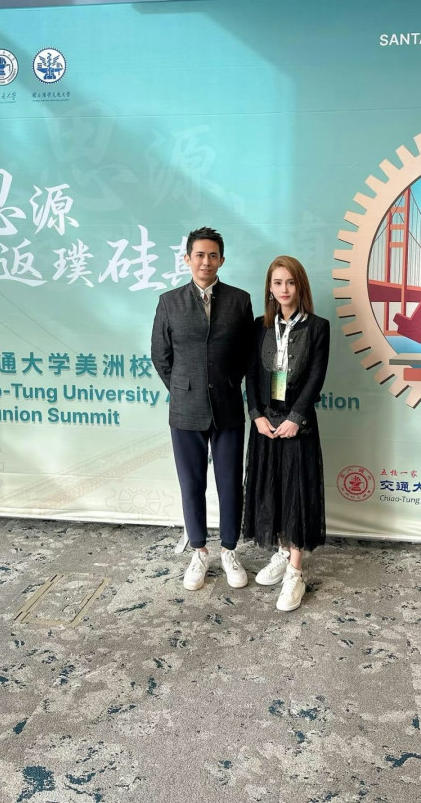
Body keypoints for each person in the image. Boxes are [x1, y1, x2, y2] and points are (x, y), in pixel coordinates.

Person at [151, 227, 254, 591]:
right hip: (185, 410)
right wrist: (183, 389)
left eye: (212, 256)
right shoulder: (169, 302)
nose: (205, 262)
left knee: (230, 483)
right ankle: (198, 551)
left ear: (221, 260)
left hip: (228, 407)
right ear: (187, 259)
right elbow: (161, 356)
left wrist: (227, 382)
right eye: (199, 255)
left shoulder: (240, 301)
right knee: (191, 483)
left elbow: (246, 354)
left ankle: (229, 550)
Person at [243, 256, 330, 611]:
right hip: (266, 424)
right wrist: (256, 416)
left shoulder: (318, 327)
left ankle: (295, 572)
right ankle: (281, 551)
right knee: (272, 489)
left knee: (297, 492)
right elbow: (251, 374)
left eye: (290, 282)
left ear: (300, 286)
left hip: (298, 424)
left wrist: (296, 417)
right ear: (270, 287)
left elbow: (316, 377)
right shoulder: (259, 326)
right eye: (277, 282)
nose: (284, 289)